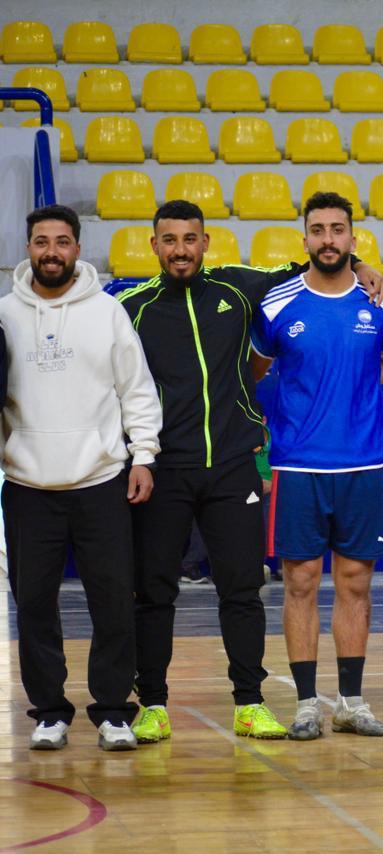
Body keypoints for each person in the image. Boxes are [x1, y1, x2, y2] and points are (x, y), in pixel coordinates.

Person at [117, 199, 383, 743]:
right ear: (154, 246)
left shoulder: (239, 288)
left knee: (243, 591)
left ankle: (249, 703)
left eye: (190, 239)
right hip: (165, 466)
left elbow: (314, 262)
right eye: (169, 240)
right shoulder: (131, 307)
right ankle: (152, 704)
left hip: (233, 467)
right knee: (154, 592)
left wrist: (362, 265)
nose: (180, 250)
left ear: (205, 243)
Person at [1, 205, 162, 751]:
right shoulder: (5, 315)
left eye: (62, 241)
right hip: (28, 488)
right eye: (41, 241)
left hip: (101, 482)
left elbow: (137, 390)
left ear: (77, 247)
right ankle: (49, 711)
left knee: (112, 603)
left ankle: (113, 711)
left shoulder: (108, 312)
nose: (52, 251)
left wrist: (143, 456)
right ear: (29, 248)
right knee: (34, 606)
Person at [250, 192, 383, 740]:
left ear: (352, 239)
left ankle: (352, 703)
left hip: (363, 462)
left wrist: (357, 385)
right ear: (305, 239)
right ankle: (305, 705)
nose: (328, 239)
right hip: (297, 466)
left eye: (338, 230)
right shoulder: (277, 304)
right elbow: (255, 370)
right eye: (318, 230)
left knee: (356, 583)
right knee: (300, 582)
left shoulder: (382, 301)